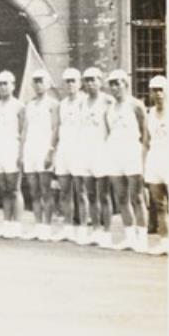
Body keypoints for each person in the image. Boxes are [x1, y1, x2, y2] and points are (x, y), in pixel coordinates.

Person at [105, 69, 149, 252]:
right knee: (121, 197)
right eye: (112, 84)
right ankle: (130, 238)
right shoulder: (109, 109)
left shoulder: (136, 105)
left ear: (126, 84)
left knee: (137, 197)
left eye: (118, 83)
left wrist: (143, 158)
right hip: (115, 155)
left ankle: (142, 239)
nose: (115, 87)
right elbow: (110, 133)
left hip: (133, 153)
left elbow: (145, 134)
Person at [76, 67, 113, 248]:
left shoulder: (108, 101)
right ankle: (96, 229)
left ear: (100, 81)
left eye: (93, 80)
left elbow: (112, 128)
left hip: (102, 152)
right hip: (86, 152)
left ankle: (107, 232)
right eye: (87, 80)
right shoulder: (82, 103)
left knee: (104, 194)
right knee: (90, 194)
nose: (90, 83)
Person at [21, 69, 59, 241]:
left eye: (41, 81)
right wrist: (22, 152)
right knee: (34, 190)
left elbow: (56, 128)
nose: (38, 85)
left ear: (48, 83)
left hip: (44, 149)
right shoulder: (29, 105)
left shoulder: (53, 104)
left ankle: (47, 226)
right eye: (35, 81)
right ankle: (37, 225)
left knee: (46, 190)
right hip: (30, 150)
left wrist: (51, 150)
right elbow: (25, 130)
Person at [0, 71, 25, 238]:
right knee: (3, 189)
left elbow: (23, 132)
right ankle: (6, 223)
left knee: (14, 189)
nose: (2, 87)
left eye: (5, 83)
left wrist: (21, 153)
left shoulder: (19, 106)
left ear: (13, 85)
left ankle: (16, 225)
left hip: (13, 149)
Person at [51, 67, 85, 243]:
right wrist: (52, 148)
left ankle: (83, 230)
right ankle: (68, 228)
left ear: (80, 83)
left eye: (73, 81)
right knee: (65, 192)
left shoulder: (86, 101)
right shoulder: (61, 104)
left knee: (81, 192)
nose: (70, 84)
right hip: (64, 150)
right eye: (67, 81)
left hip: (79, 150)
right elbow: (57, 128)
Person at [145, 74, 169, 255]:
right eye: (154, 90)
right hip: (155, 160)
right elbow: (146, 142)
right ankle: (164, 241)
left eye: (161, 90)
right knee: (159, 204)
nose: (158, 94)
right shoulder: (150, 114)